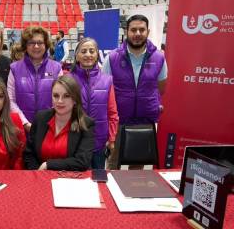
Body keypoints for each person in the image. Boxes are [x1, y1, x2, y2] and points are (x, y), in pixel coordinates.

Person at [102, 14, 168, 169]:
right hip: (118, 120)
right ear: (126, 32)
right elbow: (104, 88)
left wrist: (148, 102)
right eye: (133, 30)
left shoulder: (159, 57)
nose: (137, 34)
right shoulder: (112, 58)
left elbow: (161, 87)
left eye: (141, 30)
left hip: (145, 120)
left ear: (148, 32)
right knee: (113, 163)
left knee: (138, 165)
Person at [24, 75, 95, 171]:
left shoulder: (86, 124)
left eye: (66, 96)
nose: (60, 101)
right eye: (56, 96)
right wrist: (37, 174)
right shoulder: (40, 118)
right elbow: (29, 154)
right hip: (41, 178)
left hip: (72, 180)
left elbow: (82, 161)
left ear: (75, 99)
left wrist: (48, 165)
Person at [69, 38, 119, 169]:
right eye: (83, 51)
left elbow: (112, 112)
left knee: (97, 179)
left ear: (97, 55)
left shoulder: (107, 80)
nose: (88, 55)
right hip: (74, 140)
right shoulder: (68, 79)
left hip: (99, 142)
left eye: (92, 51)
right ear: (77, 56)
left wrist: (112, 139)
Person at [7, 26, 63, 133]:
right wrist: (25, 123)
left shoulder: (56, 68)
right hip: (21, 129)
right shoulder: (14, 68)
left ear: (45, 45)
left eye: (40, 42)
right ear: (25, 46)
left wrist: (48, 121)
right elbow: (10, 100)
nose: (36, 46)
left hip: (50, 128)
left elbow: (61, 98)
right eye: (31, 43)